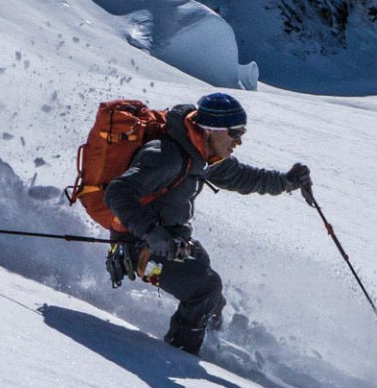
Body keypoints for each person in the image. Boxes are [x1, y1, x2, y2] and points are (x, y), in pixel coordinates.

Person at [103, 92, 311, 355]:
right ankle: (180, 356)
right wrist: (152, 234)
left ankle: (212, 342)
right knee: (202, 290)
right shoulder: (167, 155)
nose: (239, 141)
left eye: (241, 132)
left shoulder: (199, 153)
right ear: (212, 130)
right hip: (138, 251)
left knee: (211, 288)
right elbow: (118, 192)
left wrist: (287, 181)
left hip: (171, 242)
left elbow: (240, 176)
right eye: (234, 133)